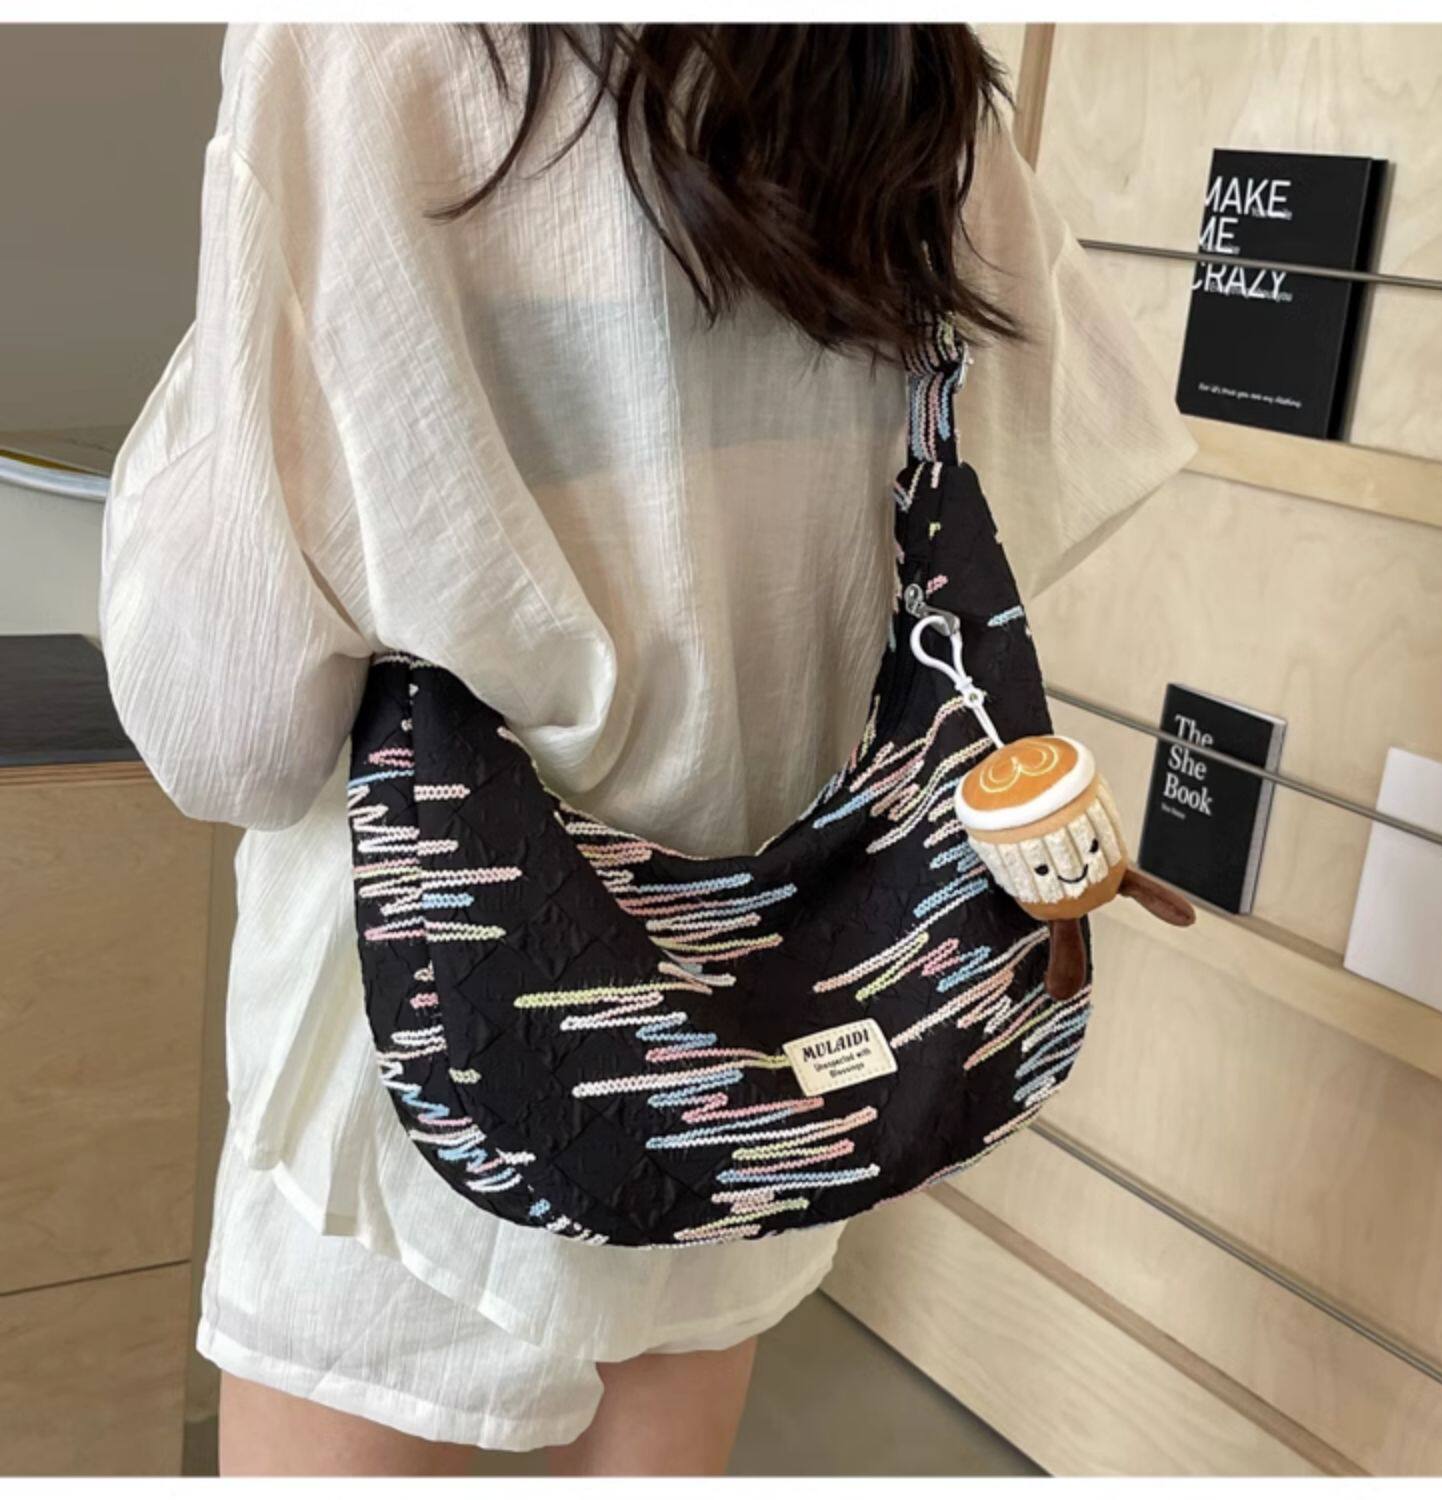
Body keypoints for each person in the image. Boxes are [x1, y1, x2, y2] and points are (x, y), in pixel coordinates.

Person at [99, 22, 1194, 1477]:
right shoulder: (901, 67)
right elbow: (1026, 480)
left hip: (422, 1063)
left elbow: (227, 733)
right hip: (766, 1040)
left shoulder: (360, 47)